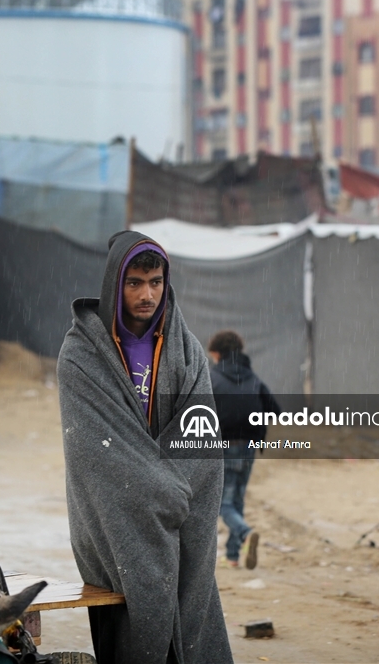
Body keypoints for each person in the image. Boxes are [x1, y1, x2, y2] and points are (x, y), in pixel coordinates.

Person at [58, 231, 232, 664]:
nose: (146, 294)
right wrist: (161, 490)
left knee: (192, 612)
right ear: (115, 285)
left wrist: (176, 493)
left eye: (155, 282)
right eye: (134, 282)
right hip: (116, 515)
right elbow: (97, 452)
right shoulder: (81, 356)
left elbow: (202, 436)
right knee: (133, 622)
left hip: (183, 514)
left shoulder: (187, 351)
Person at [208, 330, 280, 569]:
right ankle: (233, 556)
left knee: (222, 504)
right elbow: (275, 411)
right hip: (250, 447)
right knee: (236, 499)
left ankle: (246, 532)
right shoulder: (253, 378)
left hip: (224, 447)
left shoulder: (211, 378)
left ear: (217, 353)